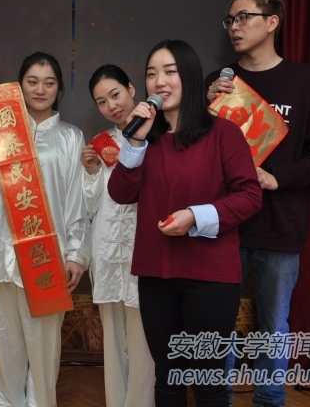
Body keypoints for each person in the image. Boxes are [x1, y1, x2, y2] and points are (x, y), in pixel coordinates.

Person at [205, 0, 310, 407]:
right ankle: (218, 399)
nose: (234, 26)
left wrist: (276, 178)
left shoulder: (306, 81)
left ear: (272, 22)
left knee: (273, 324)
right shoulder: (220, 82)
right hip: (225, 224)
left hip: (280, 224)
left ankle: (269, 399)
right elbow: (195, 155)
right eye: (230, 20)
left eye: (243, 17)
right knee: (218, 323)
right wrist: (203, 112)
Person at [108, 39, 263, 406]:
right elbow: (120, 193)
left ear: (190, 77)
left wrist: (196, 216)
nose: (159, 81)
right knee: (168, 376)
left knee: (208, 381)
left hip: (210, 276)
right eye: (151, 74)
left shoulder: (223, 133)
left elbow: (249, 196)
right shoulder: (145, 139)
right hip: (156, 273)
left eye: (170, 71)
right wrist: (135, 143)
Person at [0, 52, 91, 407]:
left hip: (47, 257)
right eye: (32, 81)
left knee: (43, 348)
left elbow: (77, 200)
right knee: (4, 344)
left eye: (49, 83)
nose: (40, 89)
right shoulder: (1, 129)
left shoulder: (70, 137)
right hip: (2, 251)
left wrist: (76, 253)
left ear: (59, 89)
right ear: (20, 86)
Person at [81, 64, 155, 407]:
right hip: (108, 251)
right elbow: (90, 205)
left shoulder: (157, 137)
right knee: (113, 338)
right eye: (102, 102)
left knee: (144, 338)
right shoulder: (100, 145)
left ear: (131, 89)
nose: (112, 105)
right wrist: (91, 172)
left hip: (144, 250)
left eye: (115, 94)